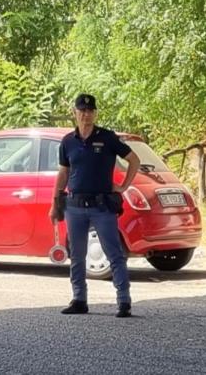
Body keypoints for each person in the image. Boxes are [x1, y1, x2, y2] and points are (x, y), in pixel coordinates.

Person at [49, 94, 141, 318]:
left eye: (90, 111)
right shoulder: (68, 141)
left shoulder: (107, 138)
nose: (86, 114)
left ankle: (123, 300)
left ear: (95, 113)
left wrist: (124, 185)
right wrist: (55, 202)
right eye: (82, 110)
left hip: (102, 206)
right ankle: (79, 299)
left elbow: (134, 160)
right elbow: (63, 172)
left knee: (114, 253)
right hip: (75, 206)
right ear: (75, 112)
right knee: (77, 255)